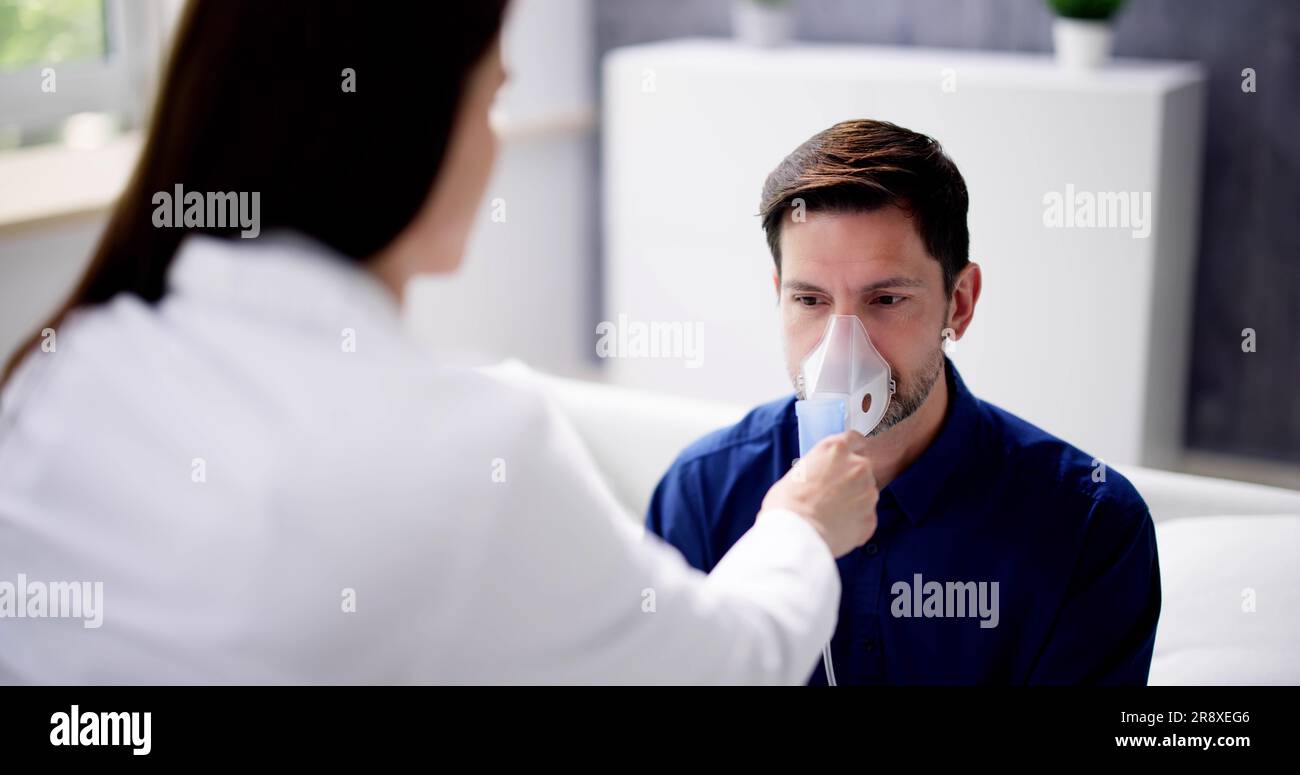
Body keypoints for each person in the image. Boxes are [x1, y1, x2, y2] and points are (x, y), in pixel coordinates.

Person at [0, 2, 879, 684]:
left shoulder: (63, 370)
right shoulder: (468, 454)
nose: (492, 144)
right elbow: (722, 665)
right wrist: (800, 524)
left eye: (885, 297)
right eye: (491, 98)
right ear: (407, 120)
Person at [648, 119, 1161, 685]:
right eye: (810, 299)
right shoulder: (701, 493)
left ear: (958, 304)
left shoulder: (1090, 527)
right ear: (780, 299)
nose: (842, 345)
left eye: (886, 298)